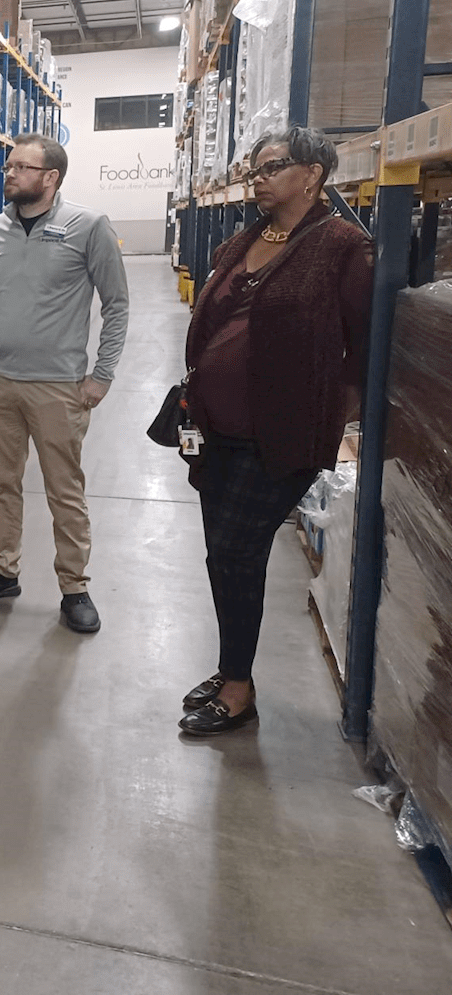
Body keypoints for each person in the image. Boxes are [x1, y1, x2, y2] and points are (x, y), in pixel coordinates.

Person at [177, 126, 371, 735]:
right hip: (217, 428)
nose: (257, 178)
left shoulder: (343, 247)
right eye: (254, 169)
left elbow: (363, 351)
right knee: (221, 556)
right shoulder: (243, 242)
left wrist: (331, 414)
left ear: (313, 174)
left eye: (272, 167)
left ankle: (238, 690)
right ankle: (233, 668)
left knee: (238, 550)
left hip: (282, 435)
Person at [0, 132, 129, 634]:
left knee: (64, 489)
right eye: (8, 166)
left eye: (21, 168)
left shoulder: (88, 227)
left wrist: (102, 375)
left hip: (59, 385)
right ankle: (1, 571)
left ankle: (74, 587)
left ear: (50, 177)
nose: (9, 174)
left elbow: (116, 304)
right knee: (1, 484)